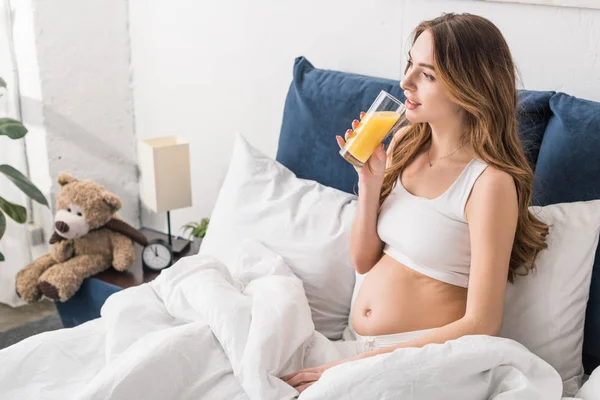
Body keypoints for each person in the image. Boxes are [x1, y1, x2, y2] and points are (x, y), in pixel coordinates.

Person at [281, 12, 549, 393]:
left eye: (427, 74)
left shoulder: (489, 184)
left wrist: (360, 365)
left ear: (468, 87)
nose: (405, 81)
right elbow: (363, 261)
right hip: (363, 351)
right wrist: (369, 183)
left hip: (423, 363)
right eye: (410, 63)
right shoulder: (407, 143)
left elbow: (483, 322)